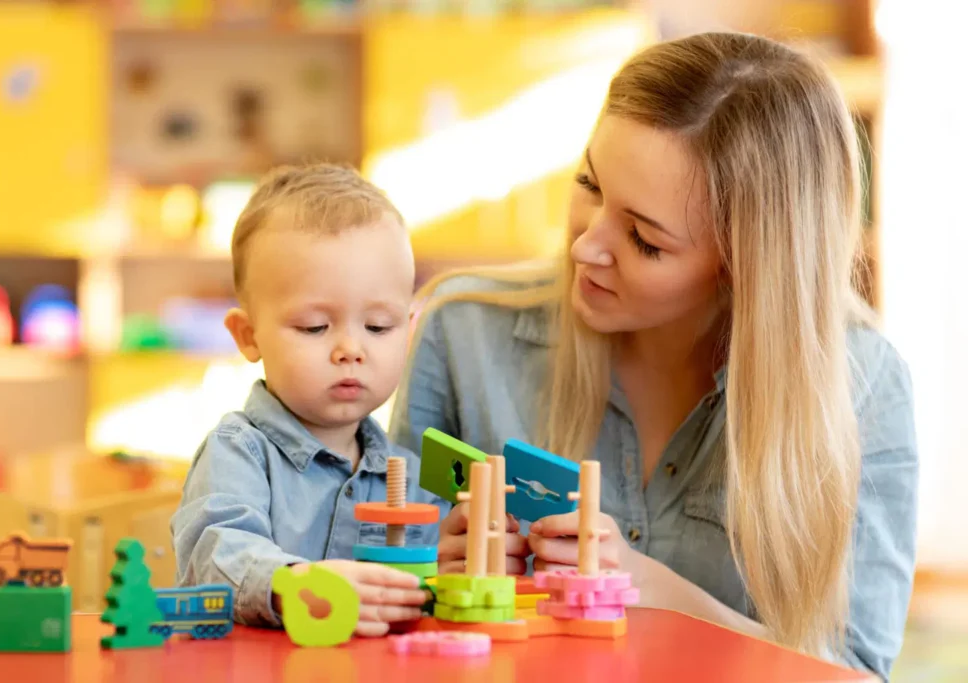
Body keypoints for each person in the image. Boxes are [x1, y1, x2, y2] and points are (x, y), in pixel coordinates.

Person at [390, 32, 917, 680]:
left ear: (741, 266)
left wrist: (651, 590)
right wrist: (433, 584)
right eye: (589, 184)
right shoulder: (462, 336)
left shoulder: (863, 387)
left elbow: (856, 672)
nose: (586, 246)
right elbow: (375, 607)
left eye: (643, 239)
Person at [172, 163, 449, 636]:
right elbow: (215, 556)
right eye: (315, 327)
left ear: (409, 331)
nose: (350, 349)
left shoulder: (414, 479)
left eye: (379, 327)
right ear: (247, 335)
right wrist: (297, 583)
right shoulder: (238, 452)